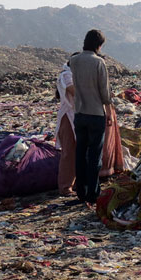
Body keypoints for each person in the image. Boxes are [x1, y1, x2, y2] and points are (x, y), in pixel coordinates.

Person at [70, 29, 111, 203]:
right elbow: (105, 92)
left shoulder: (74, 60)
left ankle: (81, 191)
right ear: (99, 45)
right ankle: (93, 193)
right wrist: (108, 111)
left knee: (80, 153)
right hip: (95, 114)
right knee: (95, 155)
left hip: (79, 113)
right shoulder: (98, 63)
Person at [55, 55, 78, 196]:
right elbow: (74, 90)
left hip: (78, 115)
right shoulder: (66, 75)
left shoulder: (74, 74)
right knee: (68, 152)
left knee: (78, 151)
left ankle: (76, 183)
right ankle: (65, 187)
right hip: (68, 116)